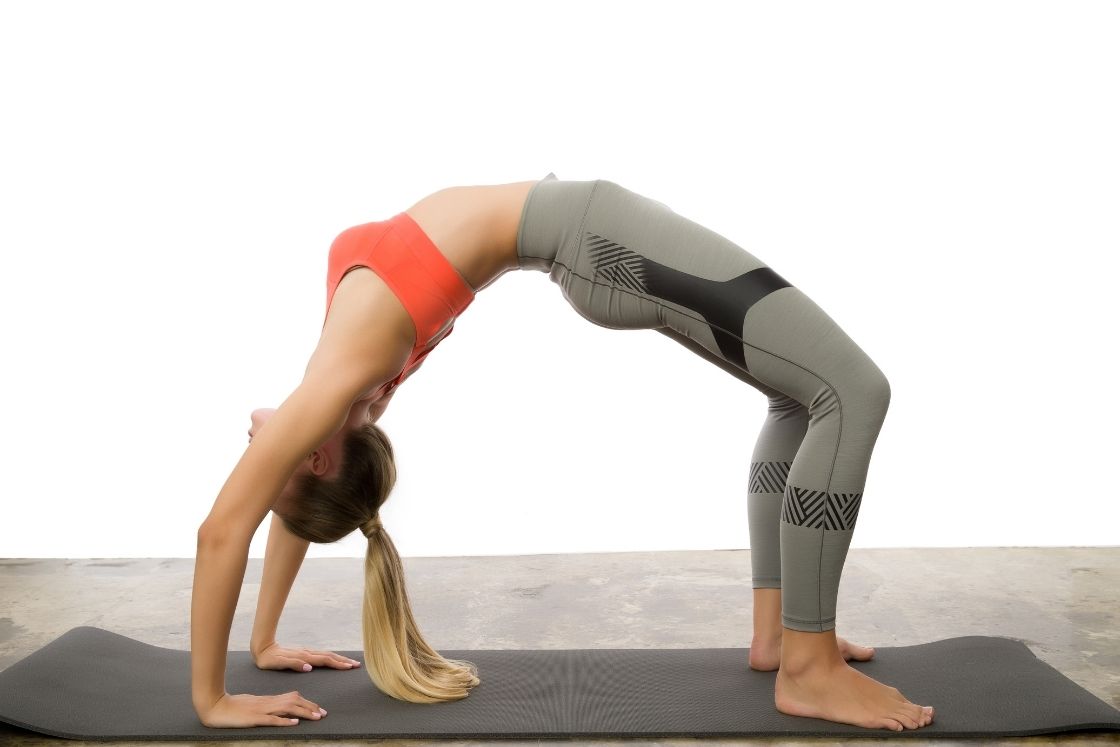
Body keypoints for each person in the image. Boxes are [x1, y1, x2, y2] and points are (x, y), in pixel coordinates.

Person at [191, 172, 934, 732]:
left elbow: (290, 510)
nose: (252, 449)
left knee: (797, 396)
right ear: (316, 456)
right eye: (271, 466)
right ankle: (808, 667)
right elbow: (225, 528)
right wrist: (212, 698)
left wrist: (263, 643)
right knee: (851, 389)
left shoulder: (345, 394)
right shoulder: (345, 379)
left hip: (592, 243)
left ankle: (779, 636)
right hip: (598, 241)